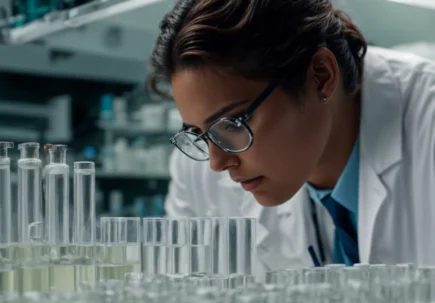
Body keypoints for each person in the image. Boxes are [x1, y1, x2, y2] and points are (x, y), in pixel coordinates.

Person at [150, 0, 435, 270]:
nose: (216, 163)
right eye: (199, 133)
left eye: (233, 123)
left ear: (321, 76)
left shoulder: (427, 124)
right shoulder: (198, 169)